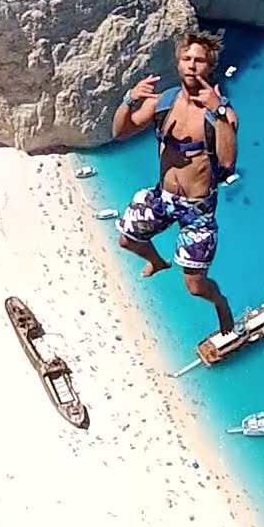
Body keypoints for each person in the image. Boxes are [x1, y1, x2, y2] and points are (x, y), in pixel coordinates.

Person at [110, 30, 240, 335]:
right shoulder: (163, 102)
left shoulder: (223, 113)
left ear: (210, 68)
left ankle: (220, 303)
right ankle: (157, 261)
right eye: (187, 58)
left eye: (200, 61)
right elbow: (121, 131)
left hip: (197, 210)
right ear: (178, 63)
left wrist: (217, 110)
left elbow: (227, 161)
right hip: (164, 198)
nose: (192, 65)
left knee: (195, 288)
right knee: (127, 239)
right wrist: (129, 99)